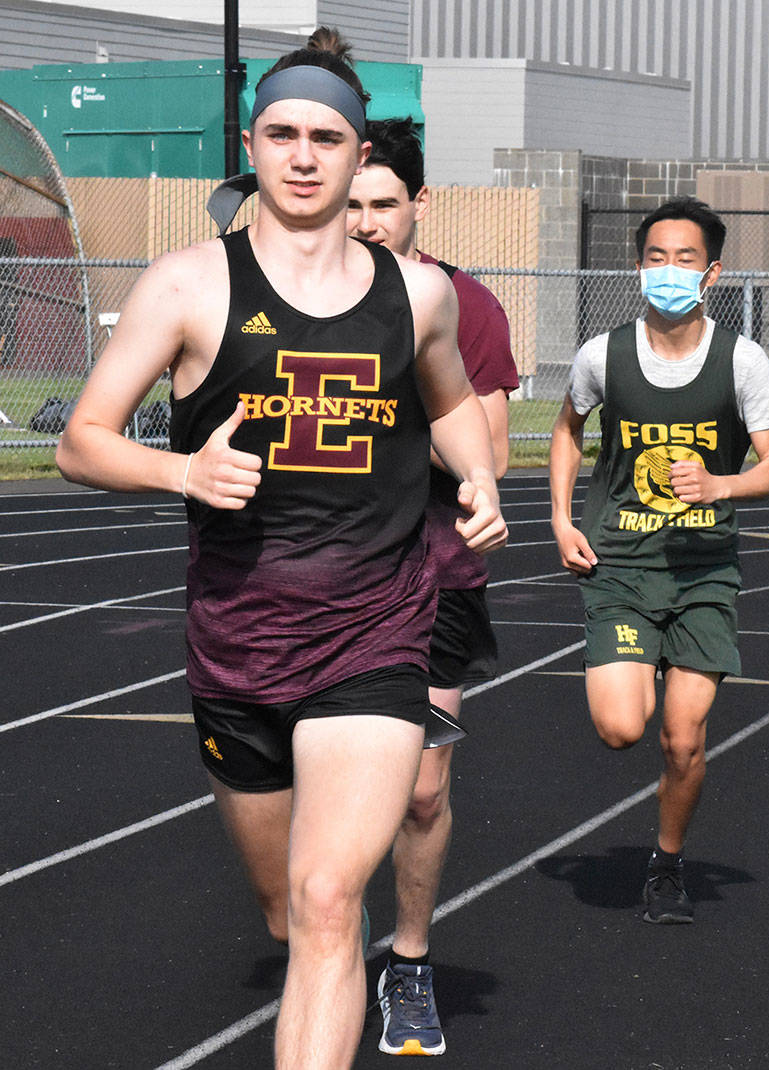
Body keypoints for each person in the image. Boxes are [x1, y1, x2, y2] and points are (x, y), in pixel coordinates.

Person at [55, 29, 506, 1070]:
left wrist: (478, 475)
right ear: (252, 147)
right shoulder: (186, 286)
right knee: (283, 910)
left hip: (375, 629)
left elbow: (447, 403)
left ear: (359, 160)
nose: (303, 155)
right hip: (238, 642)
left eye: (327, 137)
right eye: (282, 133)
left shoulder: (418, 296)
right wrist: (181, 473)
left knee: (326, 894)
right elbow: (82, 440)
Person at [549, 197, 769, 924]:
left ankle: (667, 862)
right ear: (637, 268)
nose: (669, 271)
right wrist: (559, 519)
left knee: (682, 740)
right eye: (657, 258)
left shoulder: (742, 359)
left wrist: (722, 482)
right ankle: (636, 662)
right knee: (623, 728)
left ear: (712, 272)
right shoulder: (603, 354)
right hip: (620, 562)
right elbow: (567, 432)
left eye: (686, 259)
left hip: (702, 569)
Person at [346, 117, 519, 1056]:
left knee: (419, 791)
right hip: (313, 573)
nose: (367, 223)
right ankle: (326, 927)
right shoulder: (294, 297)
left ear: (420, 205)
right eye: (353, 205)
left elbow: (487, 449)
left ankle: (408, 963)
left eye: (384, 206)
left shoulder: (465, 307)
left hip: (433, 573)